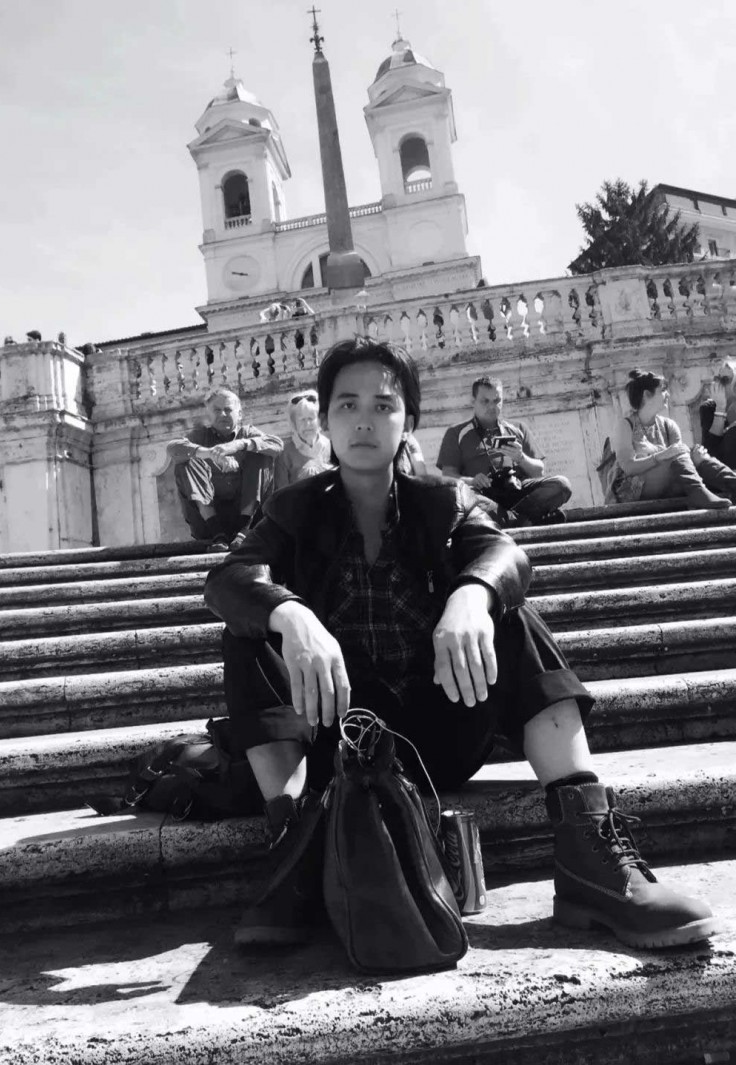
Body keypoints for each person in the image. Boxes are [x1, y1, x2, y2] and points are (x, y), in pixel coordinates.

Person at [204, 337, 717, 952]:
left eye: (383, 405)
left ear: (408, 422)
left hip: (441, 729)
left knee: (510, 615)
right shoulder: (293, 508)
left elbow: (505, 552)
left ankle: (590, 856)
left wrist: (473, 595)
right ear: (327, 421)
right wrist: (291, 614)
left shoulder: (444, 498)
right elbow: (229, 578)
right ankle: (293, 850)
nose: (364, 420)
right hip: (339, 740)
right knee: (248, 629)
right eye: (346, 405)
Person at [436, 376, 571, 526]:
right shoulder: (456, 433)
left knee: (562, 485)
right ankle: (528, 518)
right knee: (468, 501)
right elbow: (448, 477)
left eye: (497, 400)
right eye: (485, 401)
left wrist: (521, 458)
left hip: (518, 491)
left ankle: (513, 519)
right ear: (473, 401)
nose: (492, 406)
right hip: (484, 494)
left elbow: (539, 472)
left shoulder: (518, 428)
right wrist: (473, 481)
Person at [168, 388, 283, 552]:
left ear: (240, 414)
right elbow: (173, 448)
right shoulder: (200, 436)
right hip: (208, 524)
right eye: (217, 410)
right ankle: (217, 534)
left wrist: (238, 445)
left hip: (250, 522)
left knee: (261, 453)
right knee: (186, 460)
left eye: (228, 409)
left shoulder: (247, 433)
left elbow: (277, 444)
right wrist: (210, 453)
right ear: (209, 415)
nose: (222, 414)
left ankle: (243, 530)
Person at [610, 369, 736, 510]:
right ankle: (698, 493)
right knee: (676, 454)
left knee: (698, 456)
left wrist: (695, 456)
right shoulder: (626, 425)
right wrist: (662, 455)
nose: (668, 394)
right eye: (663, 390)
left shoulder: (668, 425)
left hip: (668, 486)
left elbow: (681, 461)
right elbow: (628, 467)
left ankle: (731, 483)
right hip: (633, 490)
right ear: (646, 394)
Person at [273, 390, 333, 490]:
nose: (307, 424)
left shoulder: (332, 447)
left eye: (311, 418)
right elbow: (281, 494)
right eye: (302, 420)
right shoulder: (284, 454)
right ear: (294, 423)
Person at [699, 358, 736, 469]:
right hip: (721, 469)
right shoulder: (708, 408)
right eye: (717, 379)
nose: (720, 384)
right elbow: (709, 450)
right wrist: (720, 408)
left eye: (725, 380)